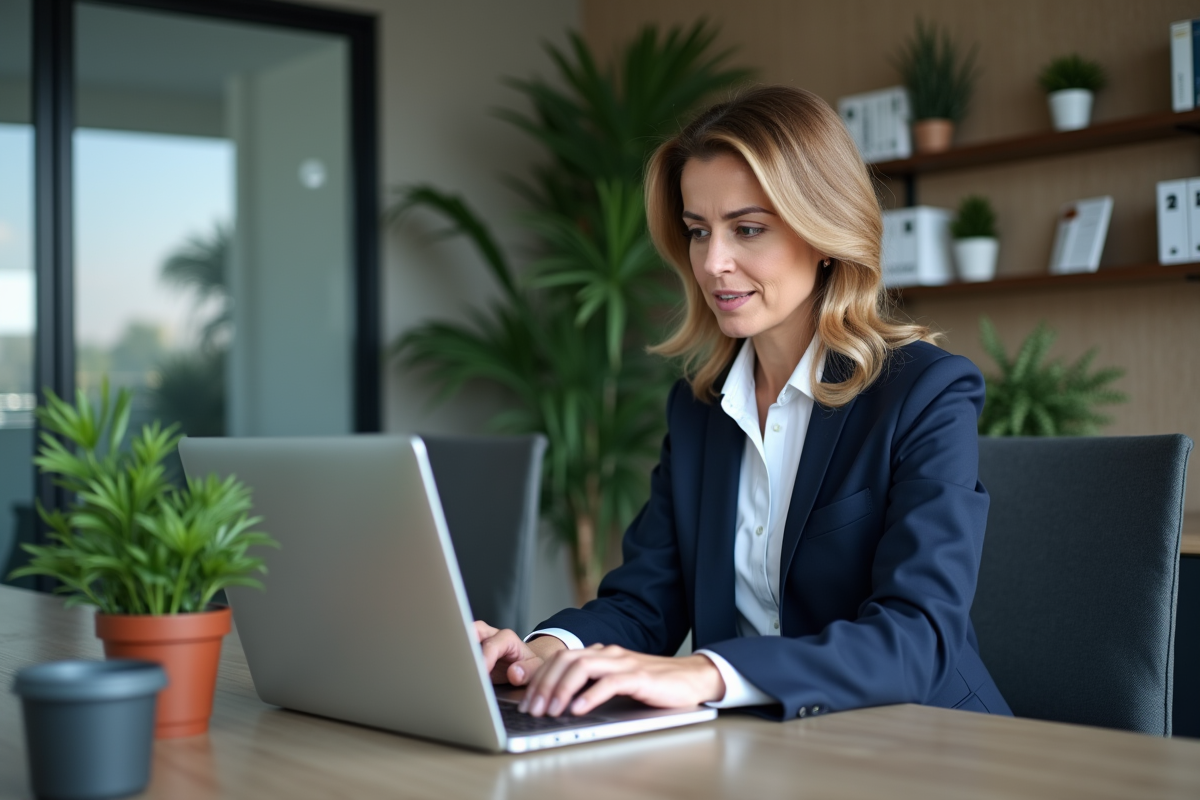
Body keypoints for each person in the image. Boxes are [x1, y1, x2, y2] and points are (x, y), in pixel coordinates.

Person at [475, 85, 1012, 721]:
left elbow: (916, 640)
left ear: (824, 233)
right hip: (762, 749)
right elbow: (647, 599)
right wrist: (546, 651)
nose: (713, 263)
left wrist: (707, 673)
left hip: (923, 746)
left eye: (748, 229)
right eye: (698, 232)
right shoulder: (699, 408)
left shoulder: (924, 392)